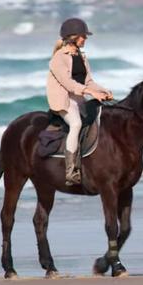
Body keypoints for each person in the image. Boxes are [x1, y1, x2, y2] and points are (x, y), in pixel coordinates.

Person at [46, 18, 112, 186]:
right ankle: (71, 171)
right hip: (64, 100)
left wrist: (103, 90)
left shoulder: (81, 56)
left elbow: (88, 81)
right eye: (83, 36)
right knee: (75, 124)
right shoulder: (58, 59)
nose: (86, 39)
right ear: (73, 37)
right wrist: (91, 92)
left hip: (79, 97)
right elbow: (68, 84)